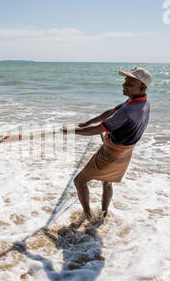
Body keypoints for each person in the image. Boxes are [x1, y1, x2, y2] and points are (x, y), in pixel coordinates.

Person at [62, 67, 152, 222]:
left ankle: (87, 215)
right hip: (125, 152)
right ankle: (103, 215)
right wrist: (86, 123)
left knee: (79, 181)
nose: (124, 85)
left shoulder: (129, 110)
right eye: (125, 80)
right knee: (107, 181)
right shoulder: (142, 102)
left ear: (142, 87)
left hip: (112, 152)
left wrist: (72, 131)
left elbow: (98, 130)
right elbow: (110, 112)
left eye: (130, 82)